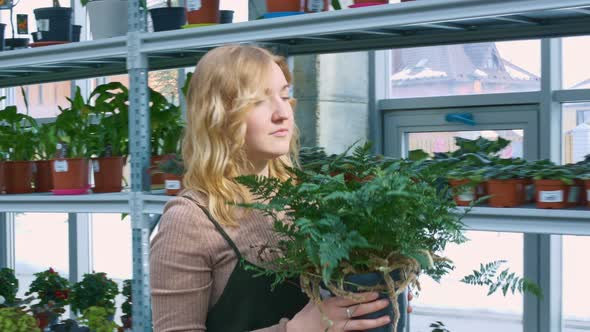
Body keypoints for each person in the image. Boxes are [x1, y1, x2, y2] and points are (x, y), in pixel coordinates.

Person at [150, 44, 408, 332]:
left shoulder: (305, 200)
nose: (282, 113)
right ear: (218, 115)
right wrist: (294, 330)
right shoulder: (191, 220)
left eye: (285, 96)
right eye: (258, 101)